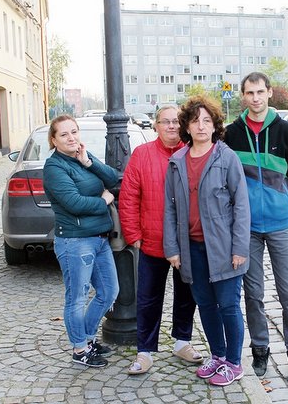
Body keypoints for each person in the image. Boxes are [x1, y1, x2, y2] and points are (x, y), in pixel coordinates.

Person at [224, 72, 288, 381]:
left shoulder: (286, 130)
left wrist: (280, 201)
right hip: (246, 228)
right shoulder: (231, 133)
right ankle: (260, 350)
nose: (256, 98)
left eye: (260, 91)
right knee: (253, 294)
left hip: (279, 225)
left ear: (270, 93)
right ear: (243, 96)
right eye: (250, 93)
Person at [163, 95, 250, 386]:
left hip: (224, 248)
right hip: (192, 249)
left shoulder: (227, 158)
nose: (201, 126)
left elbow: (241, 205)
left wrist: (239, 248)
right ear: (186, 126)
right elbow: (171, 208)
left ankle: (234, 363)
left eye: (207, 121)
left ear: (214, 126)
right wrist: (173, 249)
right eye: (195, 120)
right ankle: (218, 356)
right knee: (206, 305)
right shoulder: (177, 161)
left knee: (227, 305)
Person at [119, 105, 203, 375]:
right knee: (148, 298)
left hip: (186, 242)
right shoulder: (142, 155)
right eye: (165, 122)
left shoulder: (192, 154)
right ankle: (144, 351)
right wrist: (134, 236)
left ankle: (182, 342)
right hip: (152, 242)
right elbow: (129, 197)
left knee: (186, 296)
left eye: (176, 121)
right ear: (155, 126)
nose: (171, 126)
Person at [43, 114, 119, 368]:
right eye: (64, 134)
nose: (71, 137)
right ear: (53, 140)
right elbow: (74, 204)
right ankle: (79, 349)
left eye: (74, 131)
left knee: (109, 292)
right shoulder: (54, 168)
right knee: (77, 297)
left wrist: (89, 162)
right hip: (75, 242)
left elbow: (113, 179)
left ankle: (86, 338)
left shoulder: (82, 157)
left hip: (99, 239)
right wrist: (105, 201)